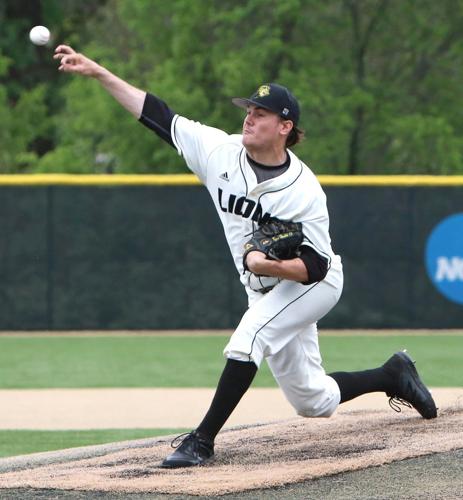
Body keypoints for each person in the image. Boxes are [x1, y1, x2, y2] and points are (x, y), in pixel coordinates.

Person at [54, 45, 437, 468]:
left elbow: (316, 266)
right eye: (248, 110)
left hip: (312, 285)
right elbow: (156, 114)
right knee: (313, 400)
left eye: (260, 113)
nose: (249, 117)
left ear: (285, 126)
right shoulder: (218, 151)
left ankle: (201, 441)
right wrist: (99, 72)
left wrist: (269, 264)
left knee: (248, 338)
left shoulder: (304, 190)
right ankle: (393, 374)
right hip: (264, 288)